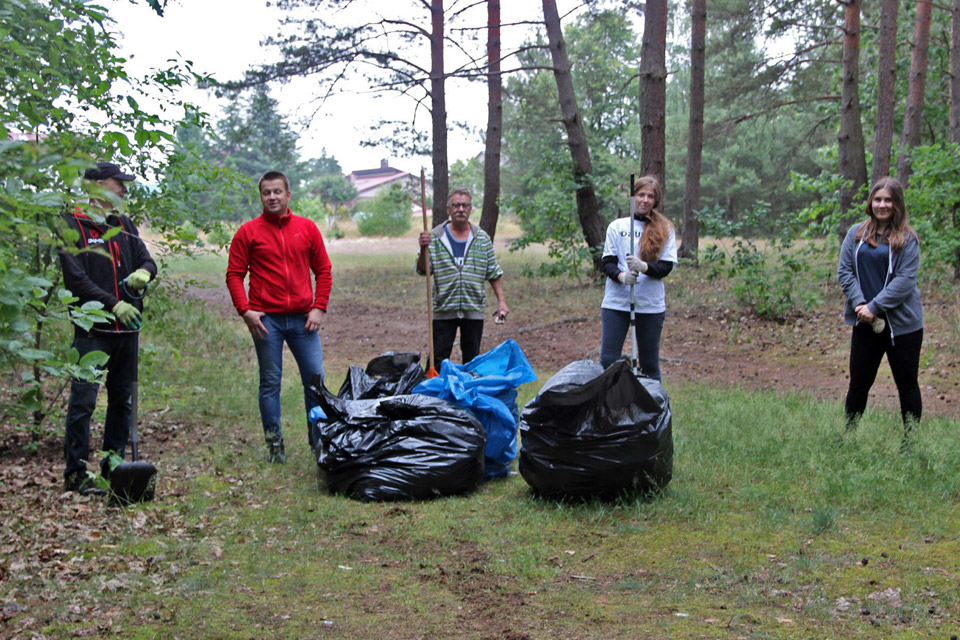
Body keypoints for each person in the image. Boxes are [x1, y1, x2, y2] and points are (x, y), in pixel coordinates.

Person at [59, 161, 157, 495]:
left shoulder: (123, 224)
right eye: (119, 183)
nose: (125, 190)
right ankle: (75, 473)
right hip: (92, 329)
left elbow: (148, 260)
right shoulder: (71, 224)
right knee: (84, 401)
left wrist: (145, 272)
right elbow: (76, 279)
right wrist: (113, 303)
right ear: (99, 186)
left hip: (128, 330)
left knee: (122, 401)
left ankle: (113, 465)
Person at [226, 170, 332, 463]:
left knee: (315, 381)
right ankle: (275, 446)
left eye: (277, 192)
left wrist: (319, 306)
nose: (272, 197)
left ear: (288, 194)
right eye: (266, 193)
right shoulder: (248, 232)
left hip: (303, 320)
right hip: (266, 321)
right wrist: (245, 310)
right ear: (261, 196)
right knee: (270, 382)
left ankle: (318, 441)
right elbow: (234, 274)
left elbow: (323, 270)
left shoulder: (307, 228)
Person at [837, 177, 923, 437]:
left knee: (907, 384)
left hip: (903, 326)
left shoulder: (909, 239)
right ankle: (848, 436)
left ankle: (911, 443)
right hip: (865, 321)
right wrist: (860, 304)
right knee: (858, 384)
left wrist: (875, 306)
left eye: (888, 200)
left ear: (897, 204)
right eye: (878, 199)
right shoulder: (856, 234)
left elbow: (905, 281)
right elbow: (845, 271)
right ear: (870, 202)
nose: (882, 205)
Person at [417, 189, 508, 364]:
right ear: (448, 209)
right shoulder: (435, 237)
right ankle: (432, 391)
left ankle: (467, 390)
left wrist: (502, 302)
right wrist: (423, 249)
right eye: (456, 205)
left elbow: (493, 272)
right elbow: (423, 270)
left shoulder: (482, 238)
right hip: (444, 307)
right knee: (437, 360)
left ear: (470, 208)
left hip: (473, 307)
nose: (460, 209)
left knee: (472, 360)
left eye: (464, 205)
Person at [599, 175, 677, 379]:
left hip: (650, 304)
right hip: (617, 303)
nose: (645, 200)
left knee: (649, 363)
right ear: (633, 196)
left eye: (650, 196)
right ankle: (608, 405)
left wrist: (644, 267)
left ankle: (654, 408)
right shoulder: (617, 227)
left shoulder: (665, 229)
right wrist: (622, 276)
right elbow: (607, 262)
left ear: (656, 201)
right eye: (641, 194)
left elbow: (665, 267)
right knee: (608, 360)